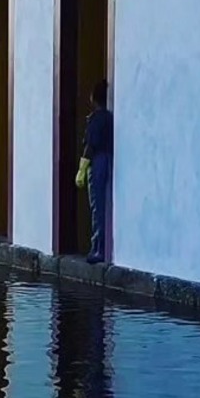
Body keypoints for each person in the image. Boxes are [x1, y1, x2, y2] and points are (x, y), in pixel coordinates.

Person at [75, 79, 113, 264]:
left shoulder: (97, 119)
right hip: (104, 159)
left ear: (93, 98)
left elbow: (90, 144)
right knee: (102, 204)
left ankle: (98, 248)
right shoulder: (108, 117)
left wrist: (82, 167)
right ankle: (99, 246)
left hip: (97, 161)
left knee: (97, 205)